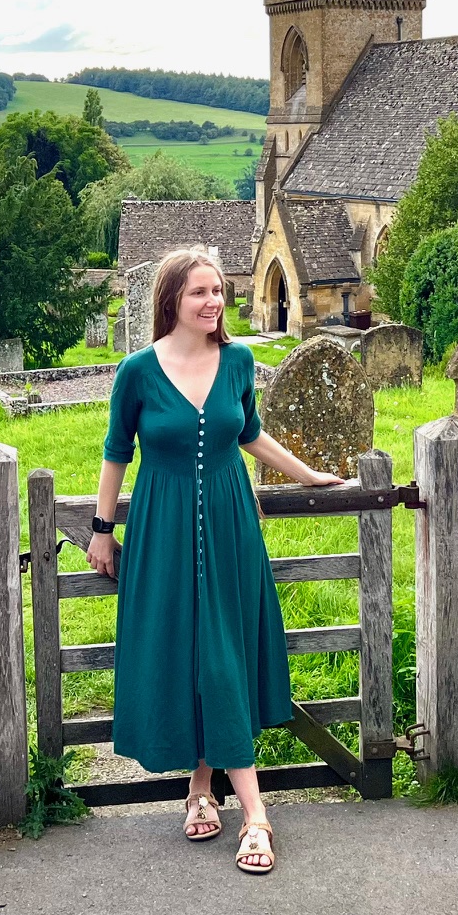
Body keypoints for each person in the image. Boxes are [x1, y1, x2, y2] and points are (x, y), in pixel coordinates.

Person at [89, 248, 342, 875]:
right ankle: (204, 789)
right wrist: (100, 529)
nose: (213, 303)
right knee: (191, 652)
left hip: (230, 525)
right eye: (200, 292)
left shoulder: (239, 361)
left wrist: (309, 475)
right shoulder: (137, 372)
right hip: (163, 527)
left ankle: (250, 811)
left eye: (219, 292)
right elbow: (117, 451)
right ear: (171, 298)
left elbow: (250, 432)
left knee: (223, 651)